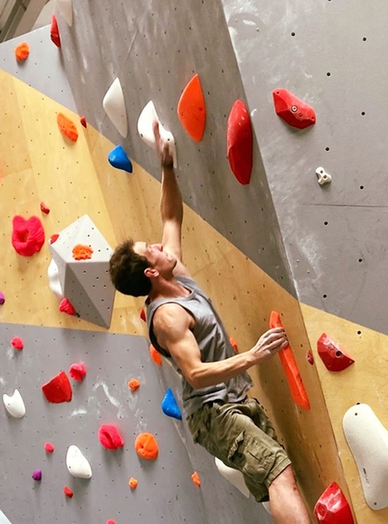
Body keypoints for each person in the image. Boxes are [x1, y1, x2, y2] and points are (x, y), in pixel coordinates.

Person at [108, 120, 311, 524]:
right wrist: (253, 356)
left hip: (233, 400)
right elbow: (198, 374)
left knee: (278, 478)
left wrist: (167, 168)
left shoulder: (174, 273)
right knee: (278, 473)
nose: (158, 245)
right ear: (151, 273)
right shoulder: (167, 317)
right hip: (213, 414)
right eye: (150, 250)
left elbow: (170, 218)